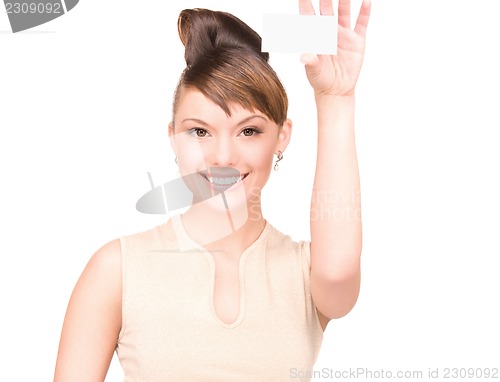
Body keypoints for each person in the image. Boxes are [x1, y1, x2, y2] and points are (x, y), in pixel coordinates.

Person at [53, 0, 371, 380]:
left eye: (249, 131)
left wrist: (335, 99)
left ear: (281, 138)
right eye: (200, 131)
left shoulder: (307, 274)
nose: (223, 156)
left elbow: (338, 276)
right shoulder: (117, 269)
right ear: (173, 138)